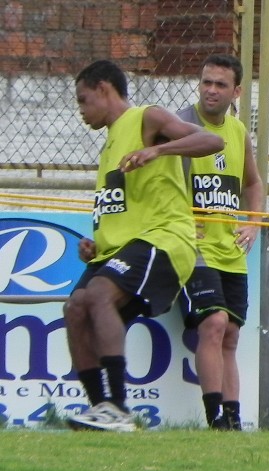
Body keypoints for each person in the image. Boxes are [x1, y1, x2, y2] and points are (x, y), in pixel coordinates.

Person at [64, 60, 224, 432]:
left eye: (84, 100)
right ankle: (101, 408)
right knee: (75, 308)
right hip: (120, 248)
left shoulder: (146, 119)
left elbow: (212, 140)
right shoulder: (108, 148)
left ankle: (118, 409)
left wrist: (159, 151)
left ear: (104, 89)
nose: (81, 111)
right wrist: (94, 244)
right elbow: (120, 210)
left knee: (99, 295)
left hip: (164, 238)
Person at [177, 55, 264, 430]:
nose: (211, 90)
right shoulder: (180, 124)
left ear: (236, 91)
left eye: (220, 84)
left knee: (230, 334)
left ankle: (233, 419)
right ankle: (214, 417)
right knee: (212, 323)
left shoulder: (238, 132)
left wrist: (254, 223)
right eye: (206, 82)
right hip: (193, 249)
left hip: (230, 252)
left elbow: (253, 184)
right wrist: (178, 222)